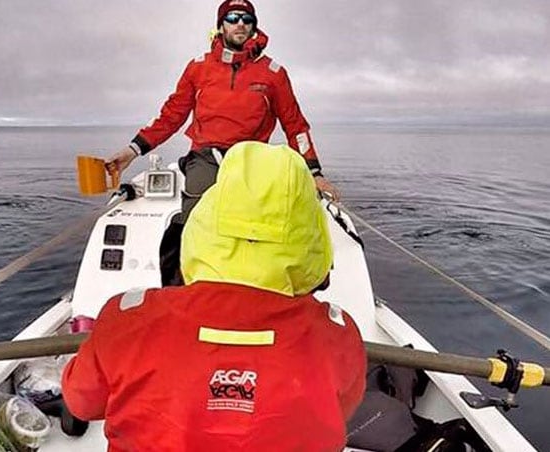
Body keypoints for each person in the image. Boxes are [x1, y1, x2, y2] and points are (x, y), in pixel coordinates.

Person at [62, 142, 366, 451]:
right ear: (312, 241)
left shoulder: (126, 319)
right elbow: (342, 409)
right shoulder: (339, 337)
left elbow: (81, 402)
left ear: (203, 225)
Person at [107, 0, 340, 227]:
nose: (240, 24)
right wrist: (132, 151)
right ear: (221, 25)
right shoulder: (197, 68)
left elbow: (295, 125)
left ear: (253, 27)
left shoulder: (274, 74)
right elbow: (171, 116)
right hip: (206, 157)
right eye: (232, 18)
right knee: (195, 221)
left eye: (247, 19)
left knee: (254, 225)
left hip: (251, 159)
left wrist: (314, 173)